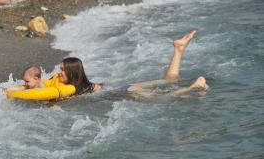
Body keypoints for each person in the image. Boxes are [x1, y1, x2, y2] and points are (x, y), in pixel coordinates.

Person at [56, 31, 208, 98]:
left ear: (72, 73)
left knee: (163, 98)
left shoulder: (74, 89)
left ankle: (193, 88)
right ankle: (178, 49)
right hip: (123, 87)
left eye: (62, 70)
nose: (58, 73)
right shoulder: (82, 85)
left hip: (126, 91)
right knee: (169, 82)